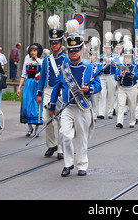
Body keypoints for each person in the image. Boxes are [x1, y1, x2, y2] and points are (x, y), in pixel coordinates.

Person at [49, 20, 101, 177]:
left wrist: (89, 89)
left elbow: (98, 86)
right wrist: (52, 106)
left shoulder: (90, 68)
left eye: (76, 50)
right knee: (65, 135)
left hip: (83, 107)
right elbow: (56, 87)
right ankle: (68, 163)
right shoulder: (63, 69)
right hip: (67, 107)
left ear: (81, 50)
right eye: (71, 51)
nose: (73, 53)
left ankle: (82, 165)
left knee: (82, 138)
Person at [36, 15, 67, 159]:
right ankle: (51, 144)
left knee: (61, 121)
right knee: (45, 119)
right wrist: (38, 93)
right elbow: (42, 78)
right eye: (52, 43)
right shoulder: (47, 60)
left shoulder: (66, 59)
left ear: (61, 43)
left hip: (61, 92)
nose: (54, 45)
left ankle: (61, 147)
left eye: (56, 43)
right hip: (48, 92)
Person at [18, 43, 43, 137]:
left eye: (34, 51)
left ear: (38, 52)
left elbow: (43, 75)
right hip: (28, 84)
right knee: (26, 105)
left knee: (36, 106)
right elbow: (23, 75)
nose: (33, 52)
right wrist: (19, 87)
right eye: (31, 51)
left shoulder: (41, 62)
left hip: (37, 85)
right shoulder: (27, 62)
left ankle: (36, 130)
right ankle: (29, 128)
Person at [115, 40, 138, 128]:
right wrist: (120, 75)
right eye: (126, 58)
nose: (127, 60)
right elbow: (116, 77)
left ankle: (132, 121)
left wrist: (130, 73)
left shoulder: (134, 67)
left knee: (132, 106)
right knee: (121, 105)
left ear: (132, 59)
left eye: (129, 58)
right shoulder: (120, 66)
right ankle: (120, 122)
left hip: (132, 88)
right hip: (122, 88)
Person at [98, 32, 119, 119]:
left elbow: (119, 65)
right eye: (106, 48)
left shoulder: (115, 56)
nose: (107, 50)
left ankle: (110, 112)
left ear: (111, 48)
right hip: (102, 76)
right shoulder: (101, 56)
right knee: (102, 94)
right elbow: (98, 66)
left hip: (111, 76)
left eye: (108, 48)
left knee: (111, 94)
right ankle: (101, 113)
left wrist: (113, 61)